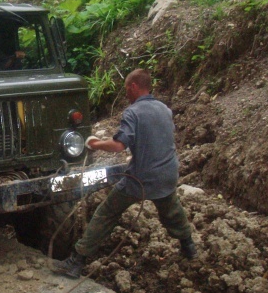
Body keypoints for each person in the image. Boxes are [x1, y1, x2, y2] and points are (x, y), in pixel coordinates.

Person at [53, 68, 197, 279]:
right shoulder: (164, 109)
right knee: (171, 210)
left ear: (134, 87)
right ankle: (189, 247)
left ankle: (76, 261)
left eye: (126, 90)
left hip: (142, 178)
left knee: (106, 212)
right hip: (168, 173)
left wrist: (95, 143)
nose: (126, 95)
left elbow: (119, 145)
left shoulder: (133, 112)